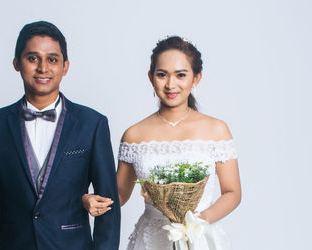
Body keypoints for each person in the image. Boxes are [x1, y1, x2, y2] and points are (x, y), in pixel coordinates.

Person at [0, 21, 120, 250]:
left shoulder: (92, 124)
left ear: (65, 66)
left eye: (52, 59)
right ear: (16, 63)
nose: (43, 68)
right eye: (33, 58)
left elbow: (109, 205)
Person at [82, 36, 241, 249]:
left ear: (196, 78)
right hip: (151, 239)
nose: (170, 84)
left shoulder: (216, 129)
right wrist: (87, 200)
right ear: (151, 77)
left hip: (199, 236)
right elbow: (118, 195)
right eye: (162, 75)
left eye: (181, 75)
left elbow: (232, 192)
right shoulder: (134, 134)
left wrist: (195, 223)